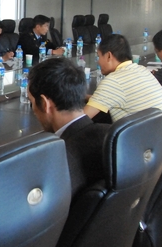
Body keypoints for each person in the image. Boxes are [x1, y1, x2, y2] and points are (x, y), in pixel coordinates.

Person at [28, 57, 108, 197]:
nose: (33, 110)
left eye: (32, 103)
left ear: (45, 104)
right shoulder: (111, 136)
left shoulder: (55, 162)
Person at [84, 34, 162, 146]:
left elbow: (79, 121)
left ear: (108, 56)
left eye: (99, 56)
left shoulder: (114, 81)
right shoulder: (142, 70)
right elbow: (114, 98)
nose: (98, 62)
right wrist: (86, 97)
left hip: (140, 153)